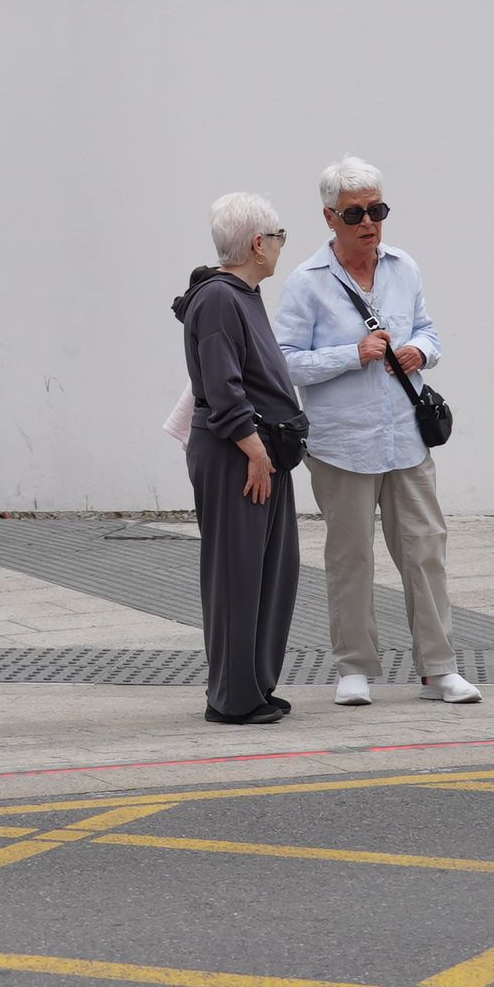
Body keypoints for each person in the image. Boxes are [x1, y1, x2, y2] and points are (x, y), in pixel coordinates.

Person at [271, 158, 479, 704]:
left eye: (378, 210)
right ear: (329, 217)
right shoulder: (306, 283)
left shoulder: (403, 267)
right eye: (356, 213)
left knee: (424, 550)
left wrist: (420, 352)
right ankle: (354, 669)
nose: (369, 222)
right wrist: (350, 354)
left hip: (405, 438)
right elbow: (285, 362)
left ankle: (439, 668)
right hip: (342, 443)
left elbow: (430, 331)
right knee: (350, 557)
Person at [180, 194, 302, 726]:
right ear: (258, 243)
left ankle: (254, 684)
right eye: (278, 236)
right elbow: (222, 384)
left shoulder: (242, 295)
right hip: (240, 455)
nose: (280, 246)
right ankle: (232, 696)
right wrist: (252, 447)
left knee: (271, 571)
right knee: (237, 574)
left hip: (260, 454)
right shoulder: (219, 300)